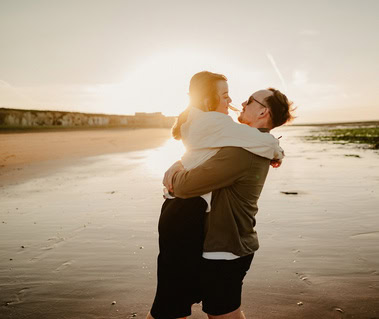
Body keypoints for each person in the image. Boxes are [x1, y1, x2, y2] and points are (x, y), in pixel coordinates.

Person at [147, 71, 289, 319]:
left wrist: (174, 176)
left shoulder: (242, 152)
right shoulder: (244, 142)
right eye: (227, 96)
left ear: (263, 112)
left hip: (226, 246)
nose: (240, 103)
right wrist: (179, 163)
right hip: (222, 242)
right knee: (191, 308)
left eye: (250, 101)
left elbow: (185, 187)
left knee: (205, 312)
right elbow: (202, 154)